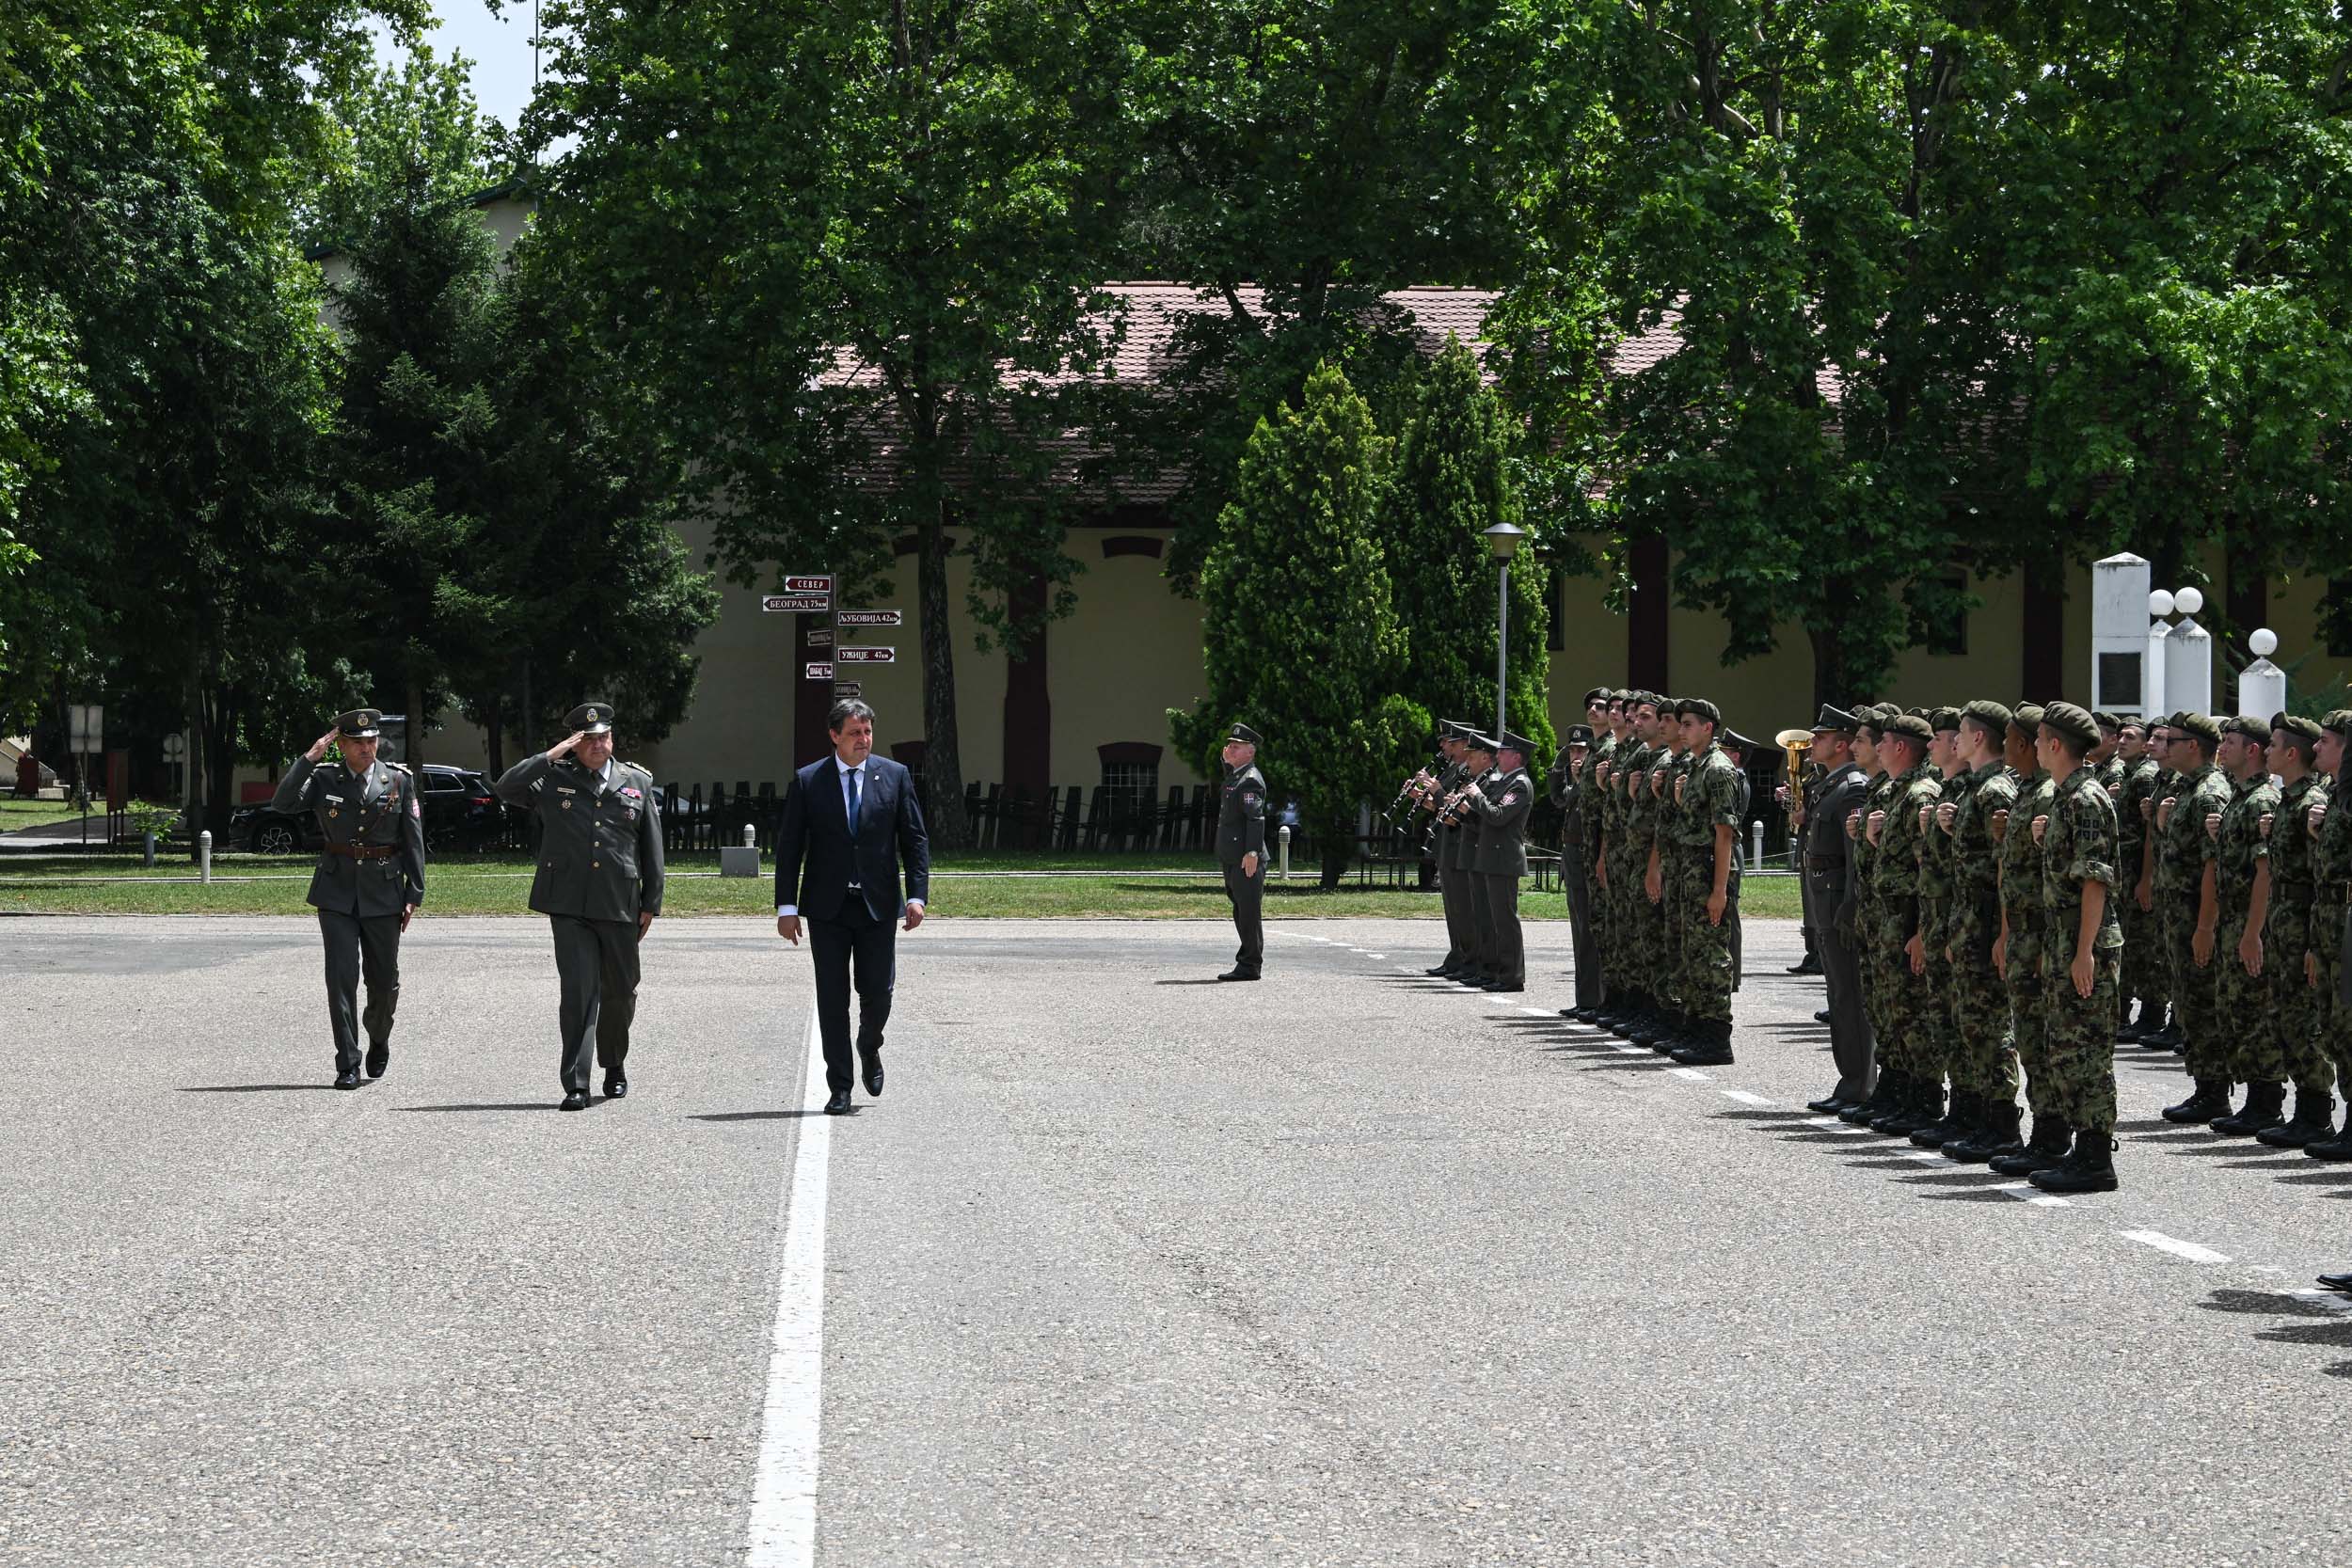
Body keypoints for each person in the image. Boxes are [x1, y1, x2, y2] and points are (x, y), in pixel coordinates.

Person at [495, 701, 666, 1112]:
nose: (597, 745)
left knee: (621, 993)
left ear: (613, 738)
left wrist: (651, 903)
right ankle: (576, 1082)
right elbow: (505, 788)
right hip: (569, 903)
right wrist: (552, 754)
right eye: (587, 739)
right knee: (578, 993)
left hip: (620, 902)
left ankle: (614, 1063)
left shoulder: (636, 782)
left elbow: (651, 847)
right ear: (574, 743)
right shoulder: (553, 779)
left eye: (603, 737)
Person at [773, 698, 930, 1114]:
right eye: (855, 733)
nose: (863, 740)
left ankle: (869, 1043)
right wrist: (786, 907)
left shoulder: (894, 776)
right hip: (828, 907)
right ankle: (839, 1086)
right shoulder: (810, 781)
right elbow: (790, 848)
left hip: (878, 905)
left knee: (878, 991)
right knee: (832, 996)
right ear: (834, 736)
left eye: (868, 732)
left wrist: (916, 895)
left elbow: (914, 839)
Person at [269, 707, 426, 1089]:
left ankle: (378, 1036)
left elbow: (412, 839)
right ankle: (347, 1062)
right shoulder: (325, 778)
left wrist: (414, 893)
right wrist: (308, 760)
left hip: (384, 890)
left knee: (383, 980)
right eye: (357, 742)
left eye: (371, 741)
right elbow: (283, 803)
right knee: (340, 979)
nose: (366, 748)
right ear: (341, 745)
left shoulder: (398, 780)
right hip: (336, 890)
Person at [2025, 702, 2124, 1194]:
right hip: (2065, 937)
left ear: (2057, 744)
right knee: (2065, 1047)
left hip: (2088, 942)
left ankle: (2095, 1157)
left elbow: (2095, 882)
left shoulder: (2086, 799)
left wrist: (2084, 951)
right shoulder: (2065, 798)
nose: (2036, 746)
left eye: (2040, 738)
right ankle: (2080, 1149)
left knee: (2085, 1050)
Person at [1939, 701, 2026, 1162]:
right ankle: (1980, 1116)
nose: (1954, 740)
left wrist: (2002, 934)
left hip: (1988, 923)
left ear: (1977, 738)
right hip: (1970, 922)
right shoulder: (1974, 788)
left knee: (1991, 1027)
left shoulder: (1995, 790)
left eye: (1962, 733)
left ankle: (2002, 1123)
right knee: (1972, 1024)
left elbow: (2003, 870)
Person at [2254, 713, 2335, 1146]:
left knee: (2306, 1023)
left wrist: (2310, 942)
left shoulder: (2310, 803)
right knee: (2287, 1018)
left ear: (2291, 753)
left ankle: (2317, 1111)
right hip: (2281, 928)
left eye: (2273, 745)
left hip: (2303, 928)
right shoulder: (2287, 801)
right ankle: (2304, 1109)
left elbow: (2318, 877)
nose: (2266, 752)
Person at [2208, 716, 2285, 1137]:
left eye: (2231, 741)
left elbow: (2264, 872)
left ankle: (2267, 1103)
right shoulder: (2240, 799)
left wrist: (2253, 932)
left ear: (2251, 750)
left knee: (2257, 1012)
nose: (2223, 747)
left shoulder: (2260, 801)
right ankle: (2256, 1100)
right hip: (2234, 920)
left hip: (2250, 923)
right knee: (2239, 1010)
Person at [1803, 707, 1873, 1112]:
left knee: (1849, 994)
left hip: (1838, 901)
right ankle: (1851, 1080)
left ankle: (1858, 1084)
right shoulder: (1830, 785)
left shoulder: (1852, 788)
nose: (1814, 742)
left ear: (1842, 743)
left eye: (1822, 736)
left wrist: (1851, 904)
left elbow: (1852, 856)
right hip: (1823, 897)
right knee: (1840, 992)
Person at [1665, 700, 1741, 1066]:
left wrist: (1718, 891)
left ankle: (1716, 1038)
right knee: (1693, 953)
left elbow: (1724, 833)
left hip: (1708, 873)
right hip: (1689, 873)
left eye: (1689, 724)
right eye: (1681, 724)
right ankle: (1696, 1028)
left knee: (1711, 956)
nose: (1682, 730)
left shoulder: (1718, 769)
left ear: (1708, 728)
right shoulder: (1695, 766)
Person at [1459, 730, 1534, 992]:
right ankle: (1499, 972)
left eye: (1503, 752)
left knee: (1505, 920)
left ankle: (1512, 976)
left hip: (1504, 858)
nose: (1498, 755)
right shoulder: (1505, 782)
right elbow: (1486, 818)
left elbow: (1498, 815)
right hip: (1493, 857)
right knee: (1494, 919)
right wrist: (1467, 809)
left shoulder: (1520, 785)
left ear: (1516, 757)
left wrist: (1477, 797)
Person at [1549, 719, 1601, 1013]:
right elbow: (1559, 801)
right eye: (1571, 751)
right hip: (1572, 853)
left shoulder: (1591, 780)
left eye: (1581, 749)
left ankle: (1594, 1000)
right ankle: (1585, 999)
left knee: (1590, 932)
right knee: (1579, 930)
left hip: (1589, 855)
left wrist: (1583, 779)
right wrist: (1559, 773)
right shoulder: (1575, 781)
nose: (1575, 756)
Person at [1212, 721, 1268, 982]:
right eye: (1229, 746)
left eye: (1236, 747)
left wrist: (1253, 853)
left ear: (1250, 752)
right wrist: (1227, 763)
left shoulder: (1249, 781)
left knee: (1248, 912)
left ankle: (1249, 965)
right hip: (1234, 857)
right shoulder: (1237, 776)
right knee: (1240, 910)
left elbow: (1255, 819)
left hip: (1246, 858)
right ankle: (1247, 961)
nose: (1229, 750)